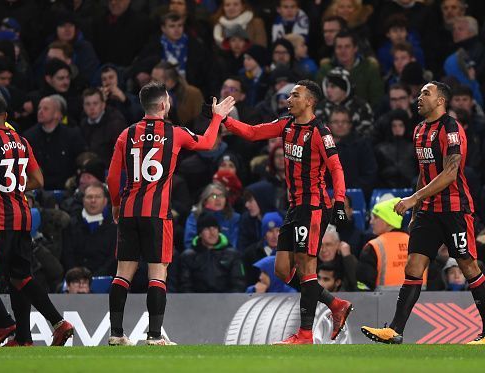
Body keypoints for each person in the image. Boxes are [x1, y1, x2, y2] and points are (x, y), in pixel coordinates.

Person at [361, 81, 485, 345]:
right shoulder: (419, 130)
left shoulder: (452, 128)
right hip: (427, 211)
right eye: (420, 93)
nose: (419, 98)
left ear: (440, 101)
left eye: (426, 93)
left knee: (468, 266)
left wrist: (413, 199)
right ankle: (396, 330)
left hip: (455, 208)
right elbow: (424, 174)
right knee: (413, 266)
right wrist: (416, 211)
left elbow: (450, 173)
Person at [222, 79, 352, 344]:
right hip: (294, 207)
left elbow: (336, 168)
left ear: (309, 101)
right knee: (282, 270)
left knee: (306, 267)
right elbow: (252, 132)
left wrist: (339, 201)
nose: (289, 99)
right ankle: (335, 304)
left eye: (295, 95)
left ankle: (305, 334)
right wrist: (225, 120)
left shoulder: (320, 132)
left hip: (314, 206)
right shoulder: (287, 125)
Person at [106, 82, 235, 346]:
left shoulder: (126, 134)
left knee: (123, 273)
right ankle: (154, 336)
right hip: (157, 213)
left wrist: (116, 204)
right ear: (164, 105)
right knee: (157, 272)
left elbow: (111, 176)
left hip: (129, 210)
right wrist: (218, 116)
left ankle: (116, 334)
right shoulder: (175, 133)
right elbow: (209, 142)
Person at [0, 96, 73, 347]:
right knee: (21, 278)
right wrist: (14, 189)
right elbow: (39, 180)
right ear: (6, 117)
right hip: (23, 218)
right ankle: (59, 323)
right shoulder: (22, 141)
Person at [179, 213, 246, 293]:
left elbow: (238, 284)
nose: (212, 233)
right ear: (200, 233)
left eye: (214, 228)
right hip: (196, 302)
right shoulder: (188, 256)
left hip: (226, 302)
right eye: (207, 229)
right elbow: (185, 286)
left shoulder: (232, 254)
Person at [357, 198, 414, 292]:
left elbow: (364, 285)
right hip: (419, 303)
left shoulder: (373, 246)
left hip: (382, 303)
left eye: (375, 217)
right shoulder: (415, 242)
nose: (371, 222)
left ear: (387, 221)